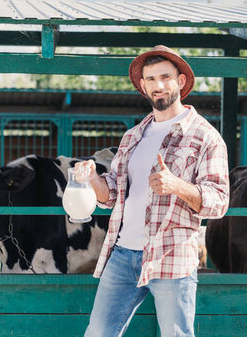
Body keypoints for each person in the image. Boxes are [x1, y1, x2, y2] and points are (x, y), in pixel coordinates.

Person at [76, 45, 230, 337]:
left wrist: (176, 185)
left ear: (180, 82)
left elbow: (219, 202)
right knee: (97, 334)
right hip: (123, 254)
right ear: (143, 86)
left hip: (171, 255)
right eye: (150, 79)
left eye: (165, 77)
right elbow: (111, 194)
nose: (158, 86)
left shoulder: (205, 137)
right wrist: (93, 178)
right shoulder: (133, 136)